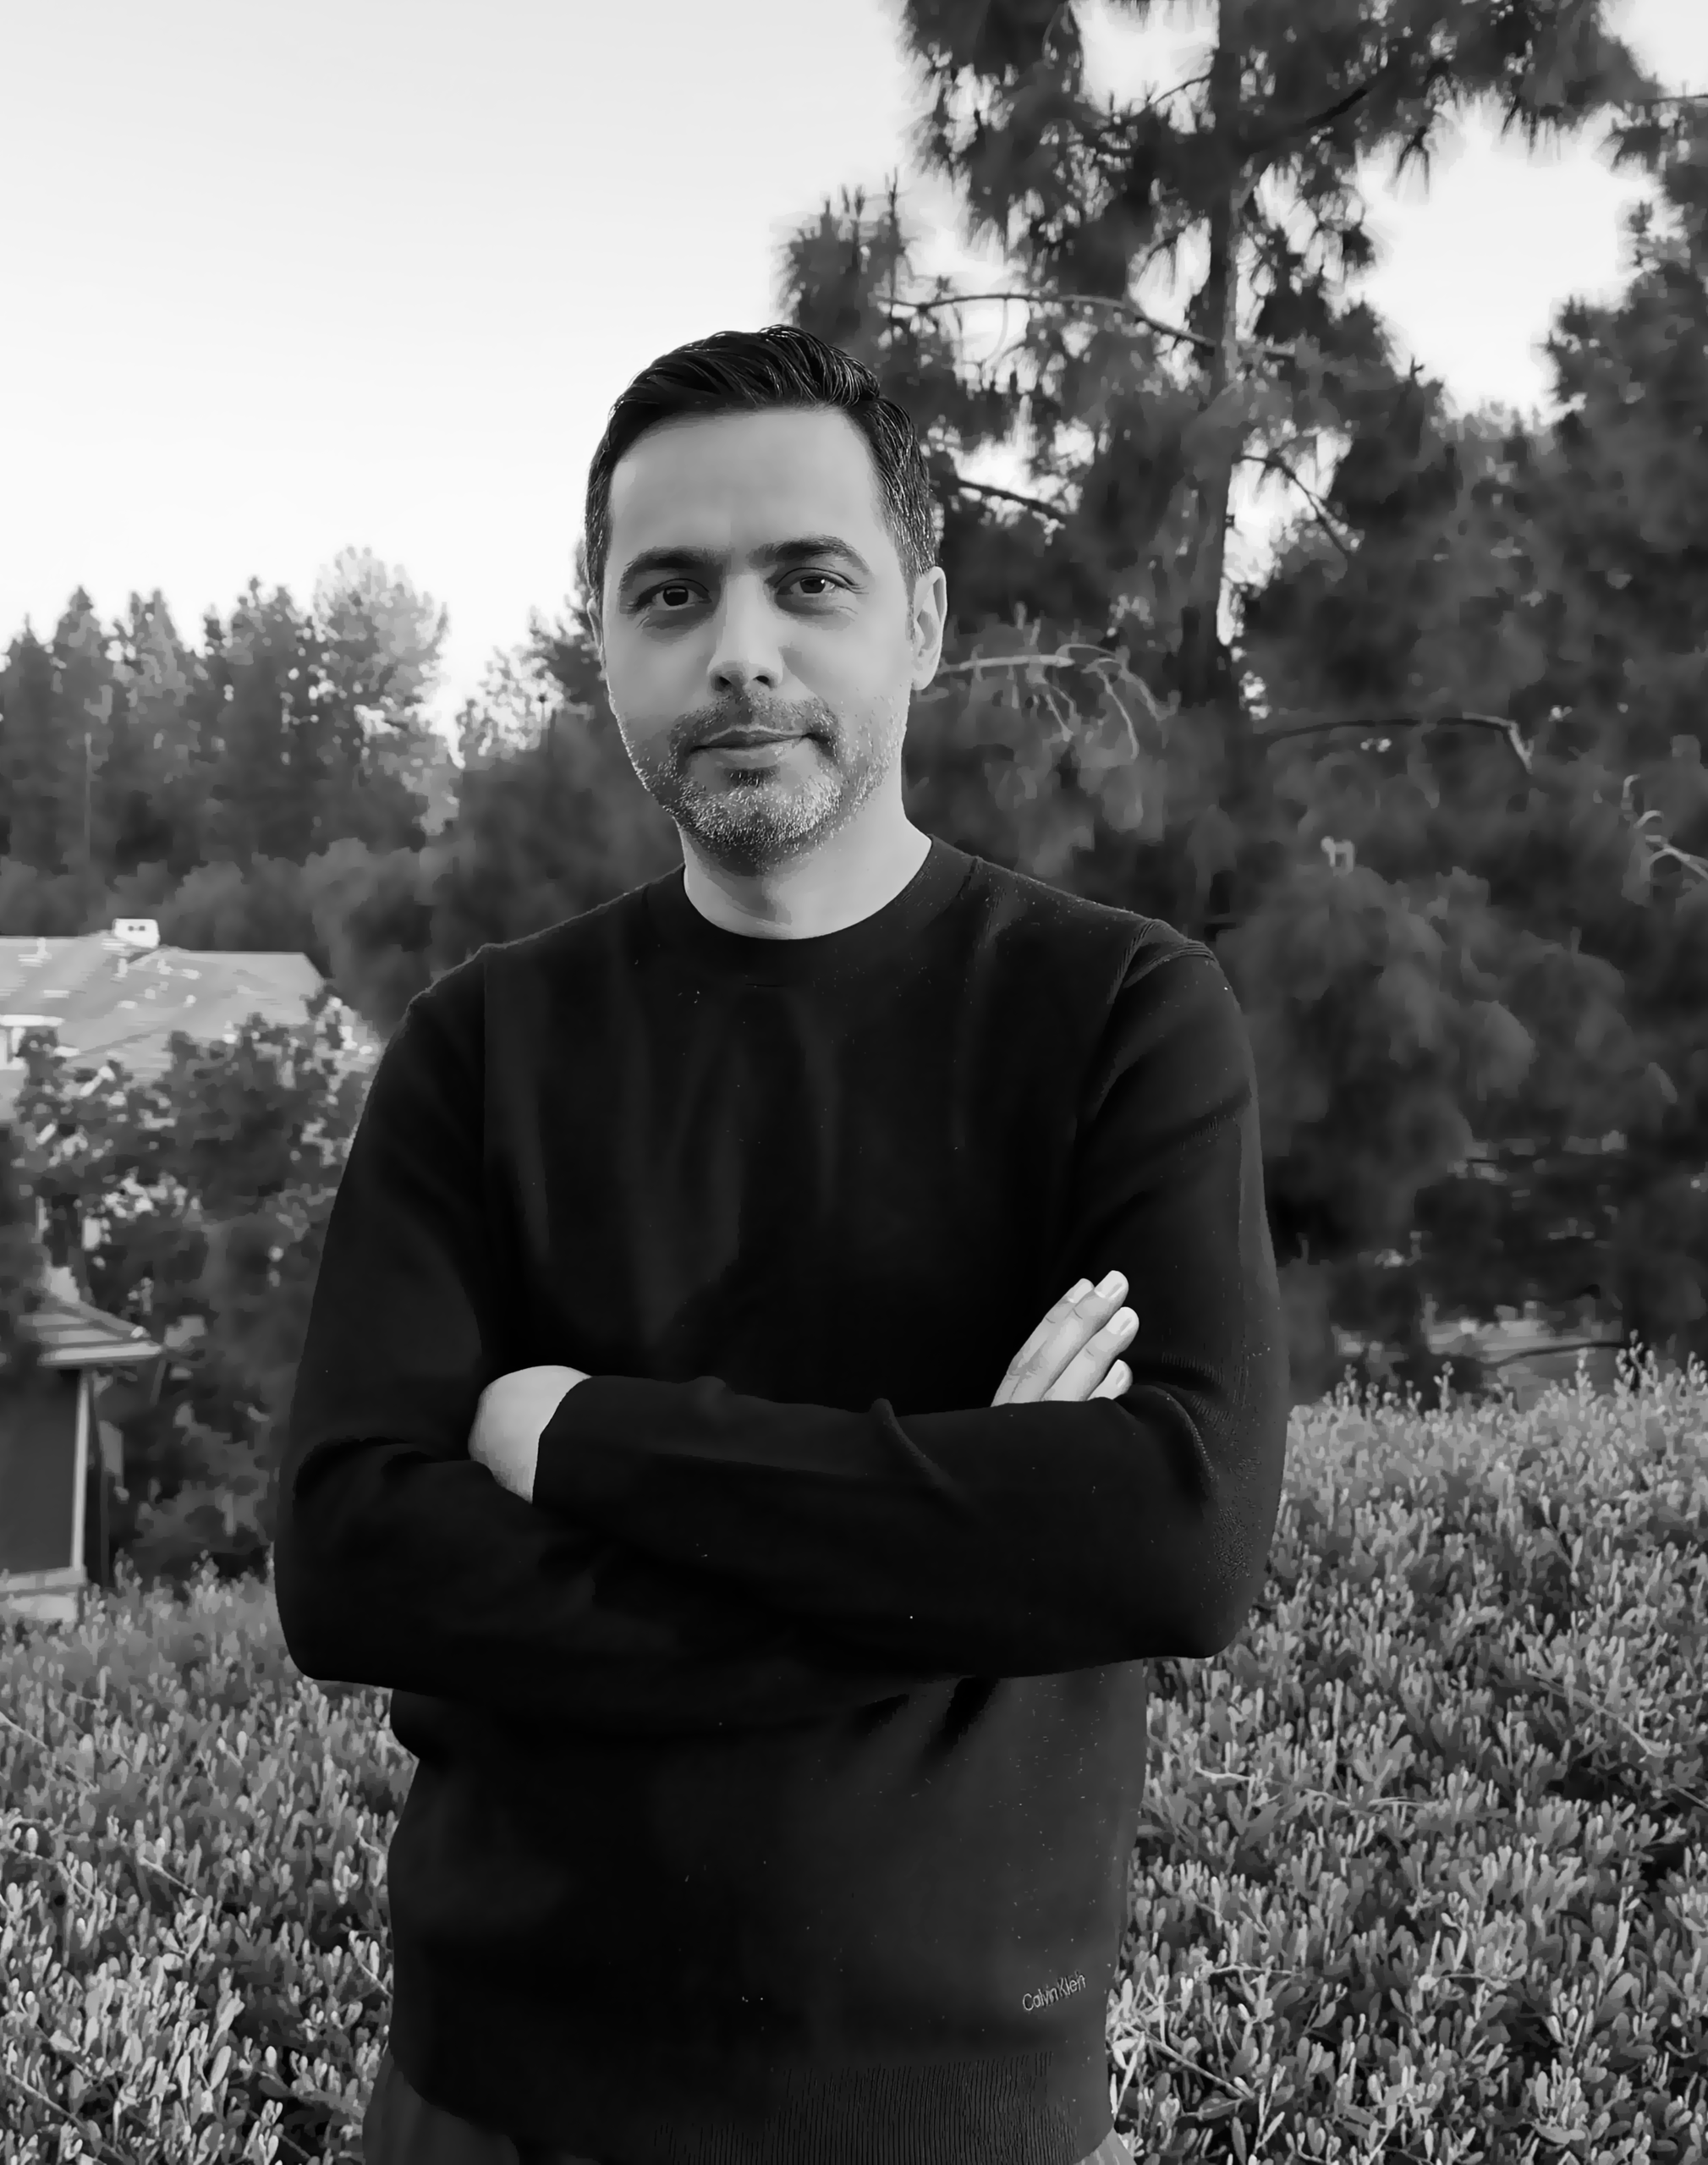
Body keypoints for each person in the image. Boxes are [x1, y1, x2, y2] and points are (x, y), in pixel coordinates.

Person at [274, 326, 1291, 2165]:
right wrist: (966, 1545)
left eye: (808, 580)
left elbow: (1172, 1534)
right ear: (603, 643)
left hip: (954, 2123)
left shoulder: (1116, 1018)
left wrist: (583, 1437)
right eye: (669, 593)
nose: (738, 647)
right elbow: (352, 1564)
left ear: (921, 617)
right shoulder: (485, 1046)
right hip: (493, 2104)